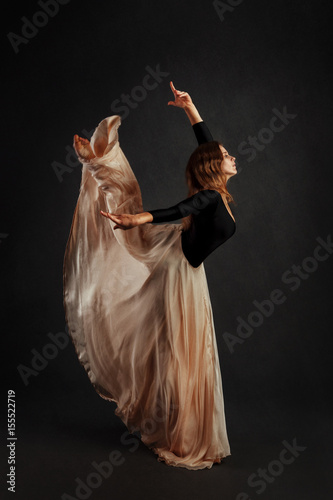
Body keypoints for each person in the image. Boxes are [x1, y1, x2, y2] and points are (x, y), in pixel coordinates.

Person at [64, 81, 237, 470]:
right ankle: (182, 434)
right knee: (181, 354)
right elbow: (183, 206)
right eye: (226, 156)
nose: (232, 157)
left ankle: (183, 429)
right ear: (215, 167)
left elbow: (205, 149)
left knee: (184, 354)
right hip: (180, 273)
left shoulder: (217, 191)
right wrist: (141, 217)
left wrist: (191, 110)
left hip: (189, 273)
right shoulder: (209, 195)